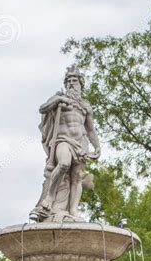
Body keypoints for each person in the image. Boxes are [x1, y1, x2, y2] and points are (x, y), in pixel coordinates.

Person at [30, 66, 101, 222]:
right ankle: (49, 198)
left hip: (81, 143)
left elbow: (90, 130)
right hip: (63, 140)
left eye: (74, 80)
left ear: (81, 84)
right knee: (63, 163)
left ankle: (73, 210)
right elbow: (42, 109)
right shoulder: (58, 98)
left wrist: (97, 146)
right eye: (68, 81)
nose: (71, 83)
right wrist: (58, 100)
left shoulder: (85, 106)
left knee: (76, 176)